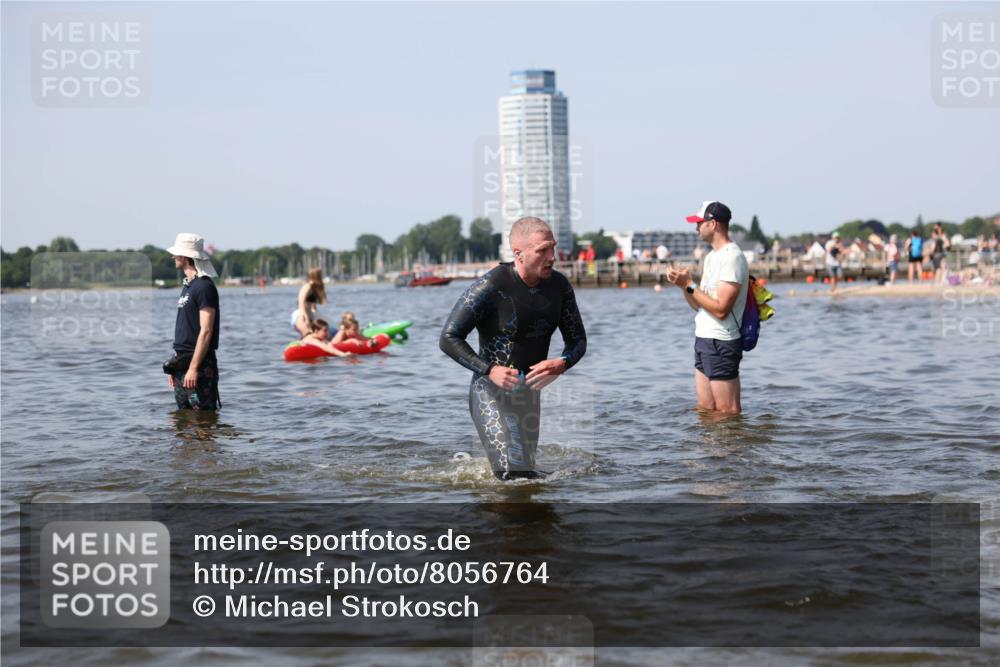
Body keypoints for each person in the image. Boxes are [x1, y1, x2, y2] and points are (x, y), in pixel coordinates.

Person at [439, 216, 587, 480]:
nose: (552, 257)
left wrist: (562, 363)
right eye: (543, 250)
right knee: (510, 475)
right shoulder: (492, 286)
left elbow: (578, 340)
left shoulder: (559, 287)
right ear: (518, 253)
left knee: (527, 477)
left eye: (552, 248)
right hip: (490, 391)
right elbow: (449, 337)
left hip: (528, 395)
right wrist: (489, 370)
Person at [666, 201, 749, 415]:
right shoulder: (712, 256)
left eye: (699, 223)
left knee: (727, 413)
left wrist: (689, 284)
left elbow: (721, 309)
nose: (696, 228)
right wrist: (684, 286)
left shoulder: (732, 257)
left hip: (721, 340)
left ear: (713, 224)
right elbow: (699, 305)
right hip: (703, 338)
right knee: (705, 410)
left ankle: (735, 440)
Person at [166, 233, 221, 410]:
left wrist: (193, 368)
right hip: (182, 364)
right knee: (182, 420)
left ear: (184, 256)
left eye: (176, 253)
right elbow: (186, 329)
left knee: (203, 418)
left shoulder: (204, 287)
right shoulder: (188, 286)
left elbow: (206, 330)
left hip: (199, 365)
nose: (172, 257)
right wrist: (175, 367)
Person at [294, 267, 327, 337]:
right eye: (320, 275)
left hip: (310, 315)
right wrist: (305, 317)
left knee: (316, 335)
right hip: (301, 315)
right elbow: (301, 301)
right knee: (308, 335)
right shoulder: (308, 286)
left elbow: (314, 305)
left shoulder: (314, 287)